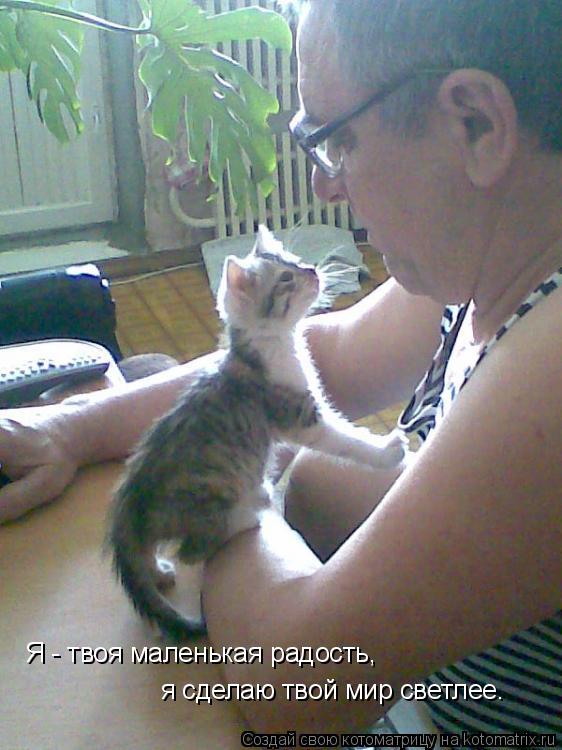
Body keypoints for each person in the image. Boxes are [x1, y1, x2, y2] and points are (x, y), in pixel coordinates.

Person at [1, 0, 561, 737]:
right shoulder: (493, 250)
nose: (327, 187)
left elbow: (297, 683)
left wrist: (222, 493)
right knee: (150, 380)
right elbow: (316, 356)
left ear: (477, 124)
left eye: (338, 140)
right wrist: (69, 429)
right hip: (417, 682)